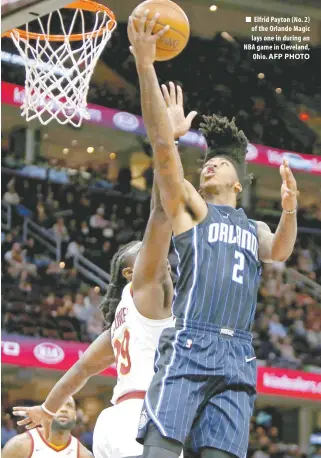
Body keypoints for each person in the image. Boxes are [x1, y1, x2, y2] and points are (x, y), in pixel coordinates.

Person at [127, 10, 298, 458]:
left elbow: (280, 251)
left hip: (238, 353)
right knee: (160, 452)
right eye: (206, 162)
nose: (209, 165)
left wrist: (290, 210)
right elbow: (164, 151)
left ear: (238, 182)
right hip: (190, 340)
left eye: (218, 163)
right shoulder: (192, 209)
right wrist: (146, 66)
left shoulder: (253, 227)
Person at [13, 174, 186, 458]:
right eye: (146, 256)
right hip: (143, 418)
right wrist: (166, 145)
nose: (157, 258)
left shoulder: (120, 321)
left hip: (115, 420)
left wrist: (48, 408)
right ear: (130, 274)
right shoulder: (147, 293)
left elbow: (81, 369)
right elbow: (160, 214)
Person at [3, 397, 92, 457]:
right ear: (45, 411)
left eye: (69, 406)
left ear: (75, 416)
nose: (64, 409)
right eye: (58, 405)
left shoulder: (84, 454)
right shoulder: (19, 445)